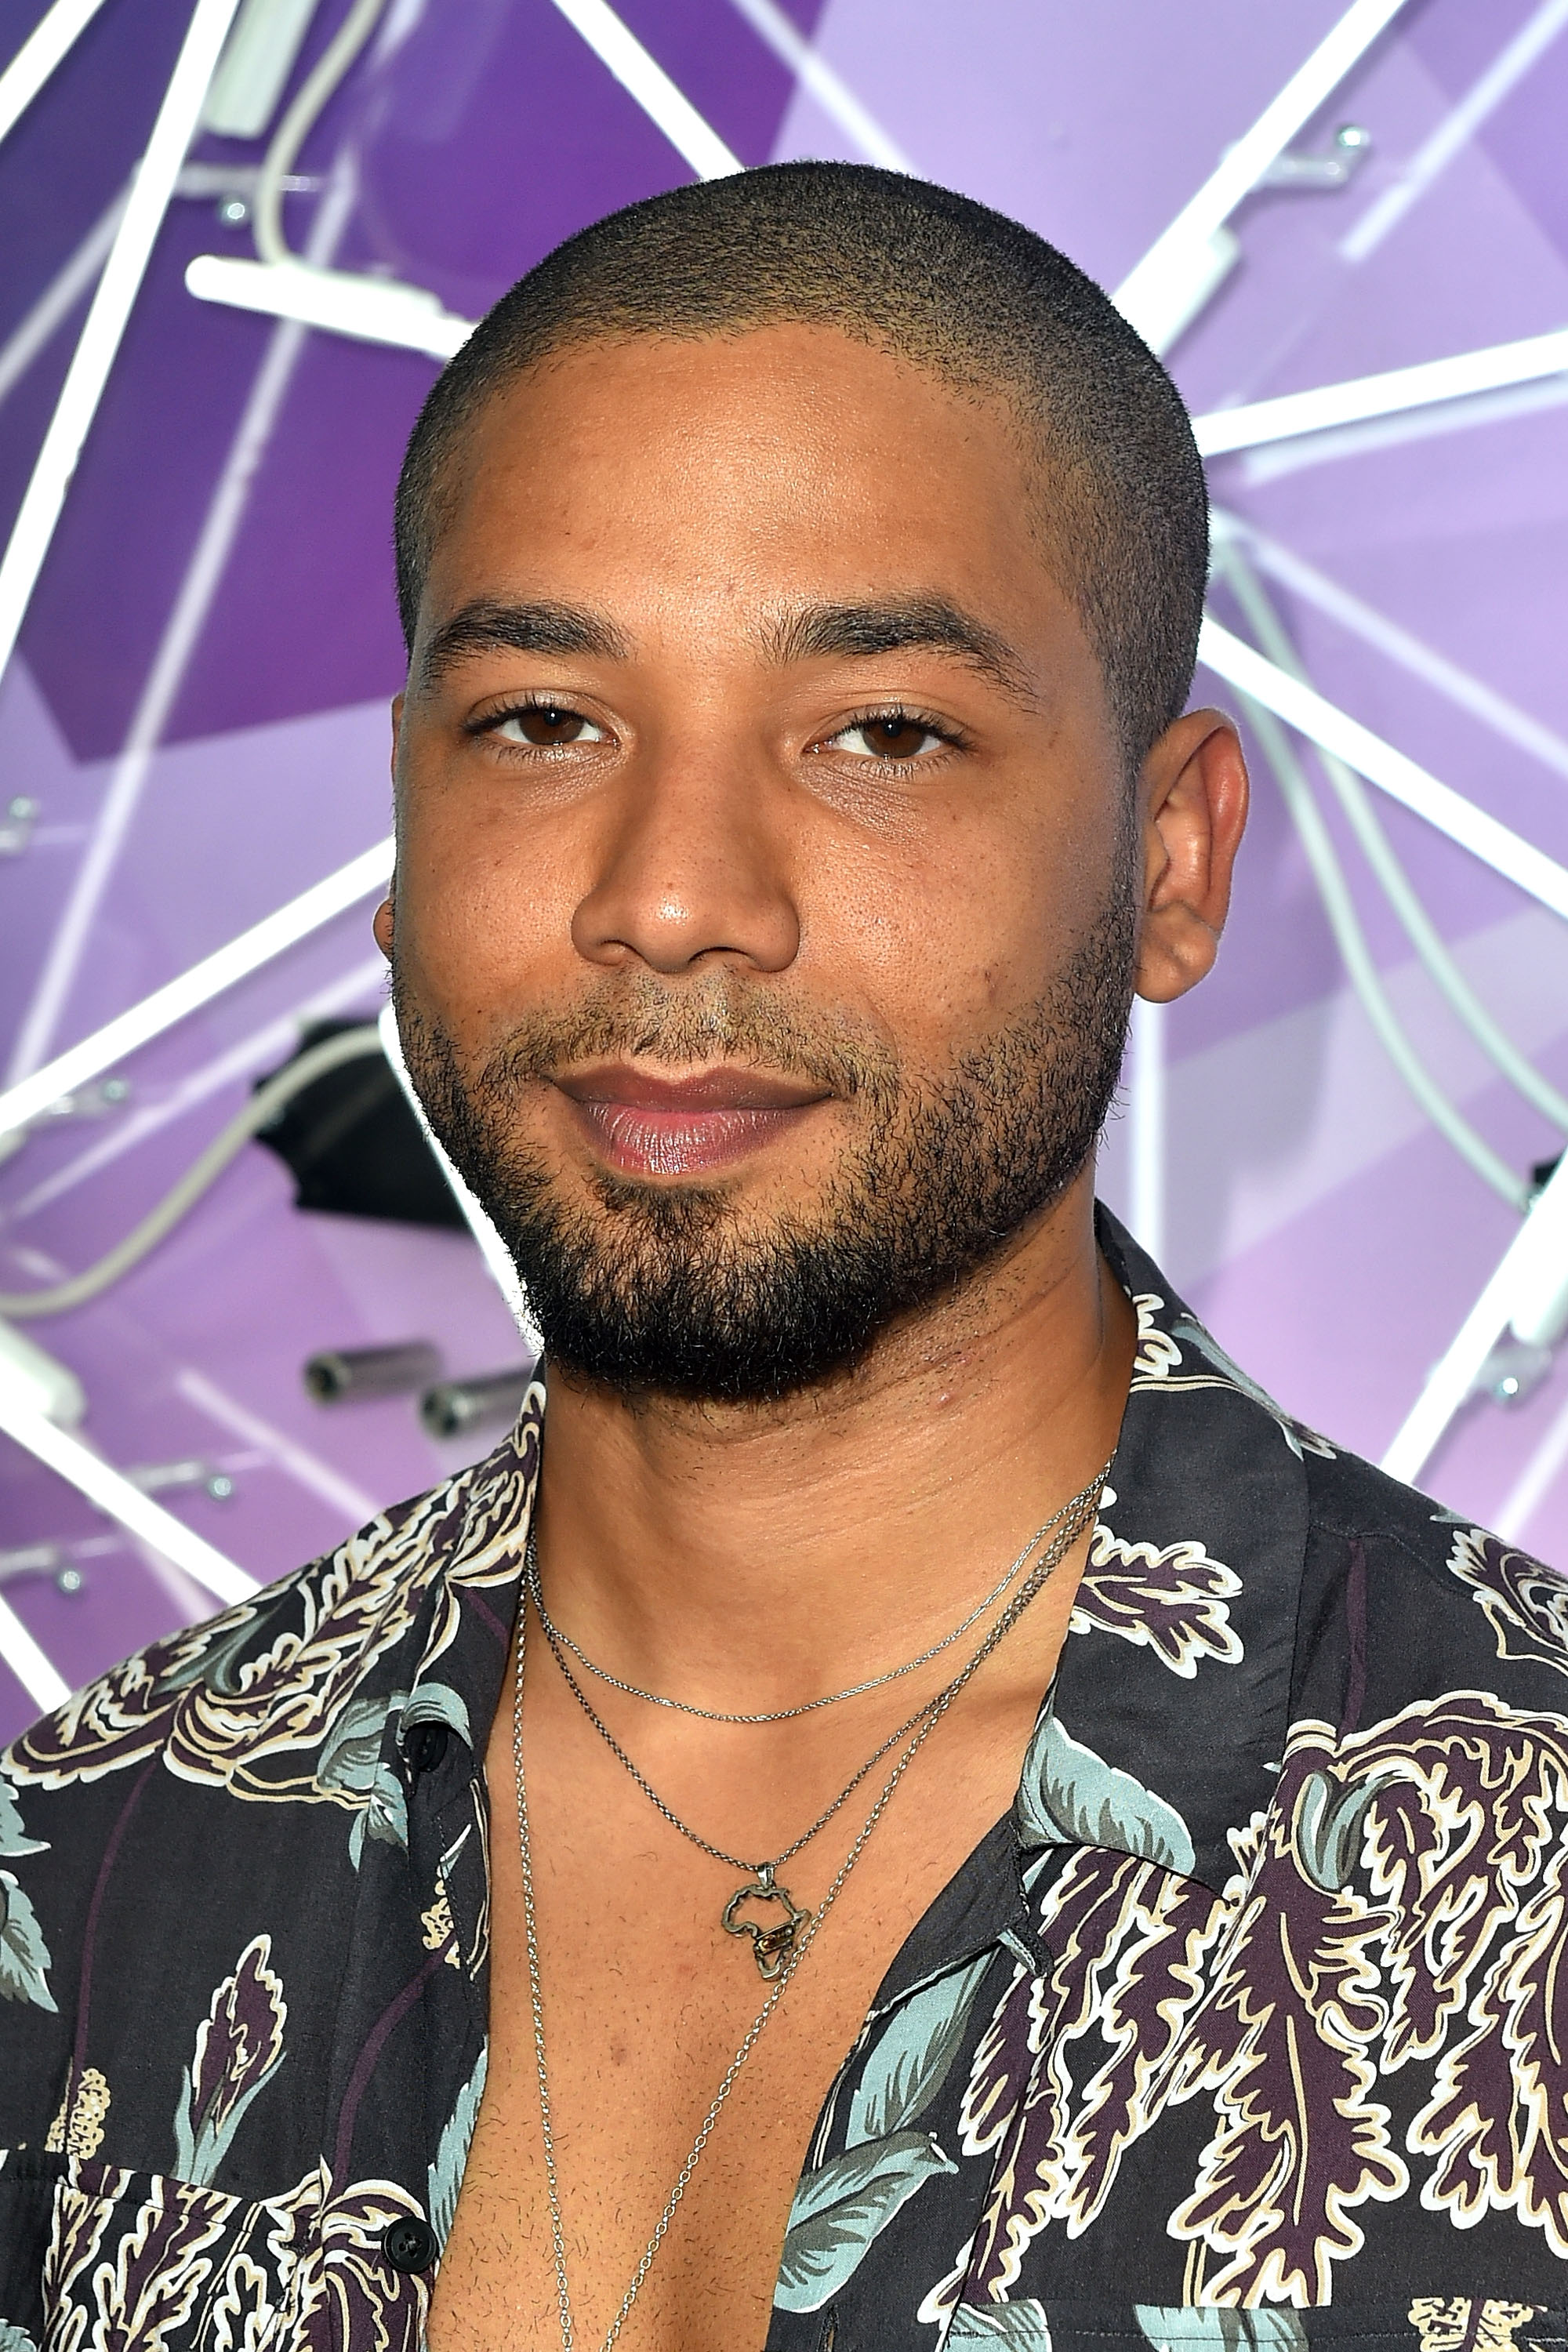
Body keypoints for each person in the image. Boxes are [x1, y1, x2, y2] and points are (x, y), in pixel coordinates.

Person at [2, 163, 1564, 2352]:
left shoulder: (1529, 1872)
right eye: (545, 723)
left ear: (1174, 856)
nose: (673, 897)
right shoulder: (84, 1880)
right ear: (400, 825)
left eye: (882, 736)